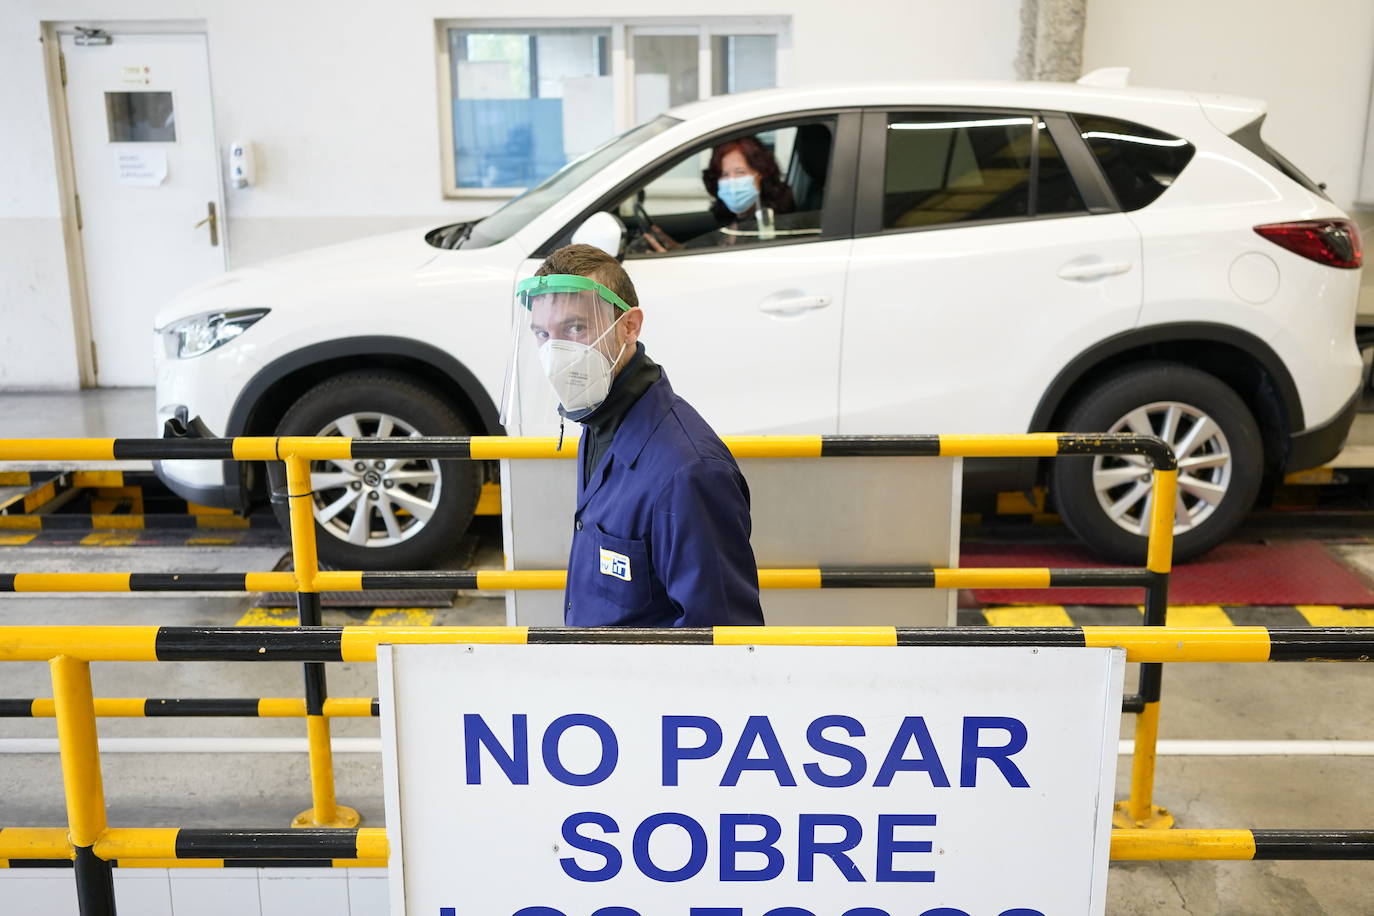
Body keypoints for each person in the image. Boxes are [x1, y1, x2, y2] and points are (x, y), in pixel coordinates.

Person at [502, 243, 764, 628]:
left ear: (629, 326)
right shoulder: (599, 421)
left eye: (576, 328)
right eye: (543, 334)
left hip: (638, 670)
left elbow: (723, 637)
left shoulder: (689, 473)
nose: (555, 354)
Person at [643, 135, 796, 252]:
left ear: (761, 174)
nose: (732, 182)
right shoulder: (735, 221)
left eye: (740, 172)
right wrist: (679, 250)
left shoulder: (770, 226)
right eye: (724, 174)